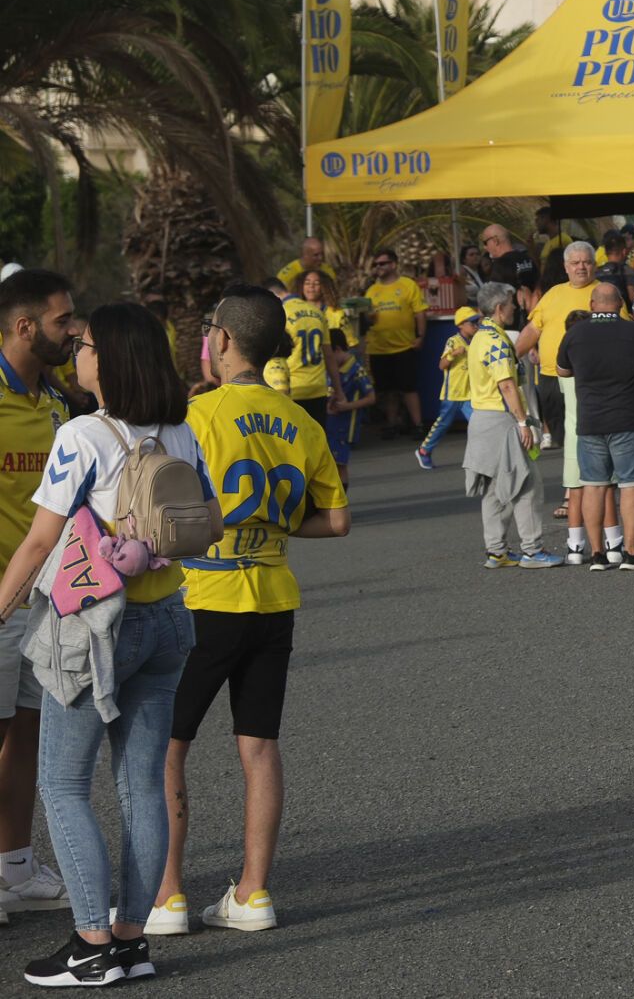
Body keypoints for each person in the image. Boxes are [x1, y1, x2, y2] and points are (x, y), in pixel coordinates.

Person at [0, 303, 220, 985]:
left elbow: (39, 542)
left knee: (62, 784)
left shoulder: (86, 435)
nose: (78, 351)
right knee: (141, 785)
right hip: (168, 622)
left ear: (113, 359)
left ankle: (90, 942)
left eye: (86, 343)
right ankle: (130, 941)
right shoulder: (183, 432)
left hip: (95, 626)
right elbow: (207, 518)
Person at [151, 286, 349, 939]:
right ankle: (254, 892)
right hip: (273, 596)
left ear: (224, 340)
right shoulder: (302, 420)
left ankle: (169, 895)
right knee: (259, 746)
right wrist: (275, 528)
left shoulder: (196, 415)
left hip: (205, 598)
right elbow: (337, 520)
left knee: (166, 748)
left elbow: (162, 509)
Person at [0, 270, 76, 917]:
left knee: (27, 733)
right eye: (61, 320)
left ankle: (16, 870)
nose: (72, 330)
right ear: (25, 327)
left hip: (43, 601)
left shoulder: (54, 398)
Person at [558, 283, 634, 572]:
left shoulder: (575, 334)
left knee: (594, 486)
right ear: (621, 304)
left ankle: (597, 554)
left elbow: (562, 370)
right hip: (628, 420)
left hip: (590, 421)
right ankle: (630, 552)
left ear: (593, 303)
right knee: (631, 484)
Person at [515, 242, 607, 561]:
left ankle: (580, 495)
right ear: (566, 267)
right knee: (568, 435)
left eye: (587, 263)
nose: (582, 267)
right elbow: (532, 328)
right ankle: (574, 494)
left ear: (594, 266)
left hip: (591, 378)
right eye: (576, 263)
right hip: (554, 376)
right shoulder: (553, 294)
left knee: (586, 434)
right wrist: (511, 359)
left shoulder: (604, 292)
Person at [460, 284, 559, 571]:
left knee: (494, 488)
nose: (515, 308)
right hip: (500, 419)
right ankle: (532, 549)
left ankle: (497, 550)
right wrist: (521, 421)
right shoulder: (496, 340)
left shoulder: (480, 336)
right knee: (526, 483)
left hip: (481, 418)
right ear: (500, 308)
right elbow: (506, 384)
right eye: (511, 304)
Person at [361, 250, 428, 437]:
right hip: (378, 348)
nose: (378, 268)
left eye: (382, 263)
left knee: (409, 387)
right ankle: (392, 423)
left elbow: (420, 312)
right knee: (386, 389)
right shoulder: (372, 290)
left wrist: (421, 336)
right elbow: (367, 317)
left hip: (404, 346)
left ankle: (418, 424)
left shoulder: (407, 285)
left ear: (393, 264)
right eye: (376, 265)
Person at [263, 277, 338, 435]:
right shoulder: (317, 312)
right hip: (318, 387)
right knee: (318, 440)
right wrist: (338, 389)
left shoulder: (279, 313)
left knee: (296, 442)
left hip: (291, 387)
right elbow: (329, 354)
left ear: (272, 296)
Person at [415, 306, 479, 470]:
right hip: (453, 392)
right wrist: (453, 354)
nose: (475, 326)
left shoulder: (476, 341)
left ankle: (480, 456)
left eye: (476, 322)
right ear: (461, 325)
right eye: (472, 323)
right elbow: (441, 365)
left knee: (478, 423)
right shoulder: (453, 341)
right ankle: (424, 450)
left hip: (469, 393)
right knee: (443, 423)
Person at [323, 330, 373, 486]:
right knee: (328, 464)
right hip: (330, 423)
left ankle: (341, 502)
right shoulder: (330, 370)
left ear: (337, 349)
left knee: (340, 465)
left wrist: (347, 406)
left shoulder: (356, 369)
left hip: (344, 426)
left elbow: (371, 397)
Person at [479, 224, 540, 295]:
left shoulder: (500, 266)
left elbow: (497, 298)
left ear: (495, 241)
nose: (484, 247)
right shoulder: (527, 258)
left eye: (485, 243)